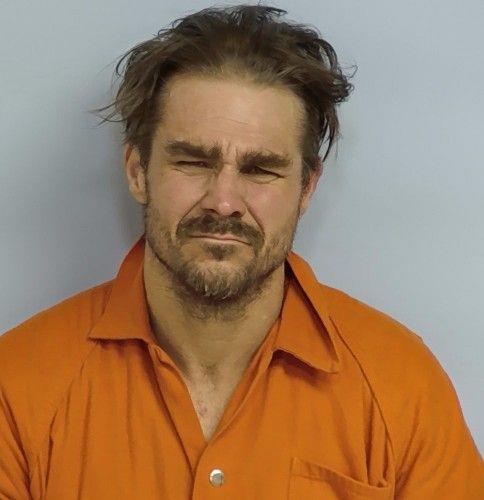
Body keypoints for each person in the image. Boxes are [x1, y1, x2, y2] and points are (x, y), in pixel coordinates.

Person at [0, 4, 482, 499]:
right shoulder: (17, 386)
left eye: (260, 170)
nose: (224, 202)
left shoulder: (403, 388)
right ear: (138, 171)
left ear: (306, 188)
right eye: (193, 161)